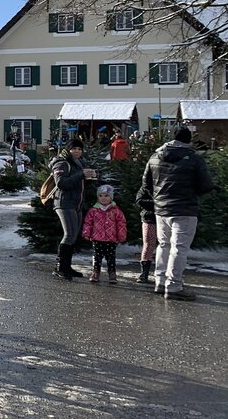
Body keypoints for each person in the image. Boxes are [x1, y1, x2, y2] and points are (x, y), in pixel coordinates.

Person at [137, 127, 214, 301]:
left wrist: (159, 197)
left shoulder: (155, 157)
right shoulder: (195, 159)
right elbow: (206, 185)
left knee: (163, 244)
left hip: (161, 209)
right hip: (185, 209)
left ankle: (160, 281)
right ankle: (174, 286)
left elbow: (146, 184)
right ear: (189, 141)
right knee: (179, 248)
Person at [51, 137, 95, 280]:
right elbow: (61, 183)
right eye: (74, 148)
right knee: (69, 234)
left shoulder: (77, 163)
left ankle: (66, 266)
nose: (77, 151)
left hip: (76, 203)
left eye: (79, 149)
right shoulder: (62, 163)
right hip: (64, 203)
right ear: (68, 150)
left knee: (73, 235)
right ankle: (60, 267)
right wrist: (81, 175)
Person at [81, 184, 127, 284]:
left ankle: (112, 274)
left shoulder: (116, 211)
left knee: (111, 258)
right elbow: (88, 223)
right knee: (97, 257)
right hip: (97, 238)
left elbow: (121, 224)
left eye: (106, 196)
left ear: (111, 197)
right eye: (101, 196)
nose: (103, 198)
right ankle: (95, 272)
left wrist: (121, 235)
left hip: (111, 239)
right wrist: (86, 233)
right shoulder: (93, 210)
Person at [136, 202, 157, 284]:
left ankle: (164, 275)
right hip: (150, 217)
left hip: (166, 216)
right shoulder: (147, 188)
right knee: (148, 244)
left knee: (165, 245)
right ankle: (144, 274)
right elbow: (140, 200)